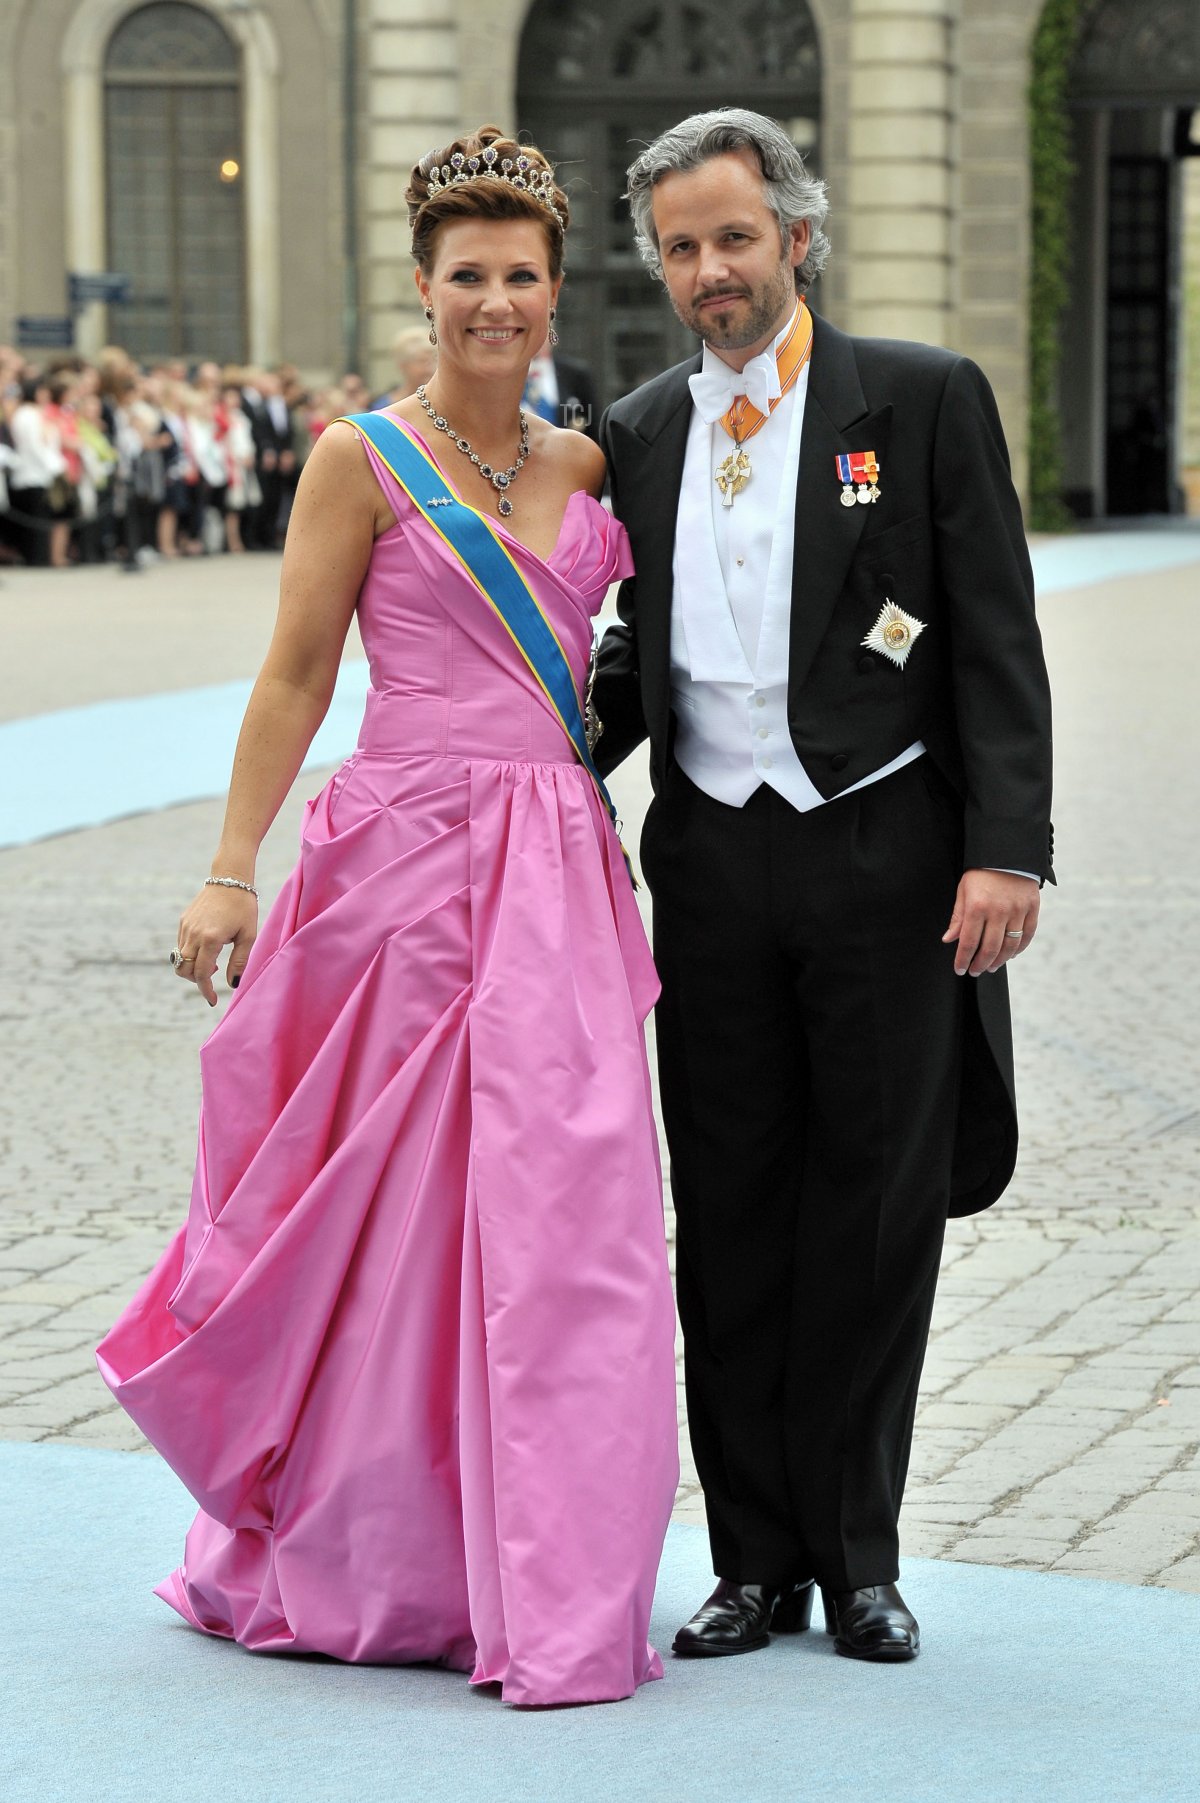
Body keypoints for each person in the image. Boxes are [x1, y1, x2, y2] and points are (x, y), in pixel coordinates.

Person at [97, 122, 679, 1709]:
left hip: (555, 868)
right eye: (466, 278)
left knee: (561, 1221)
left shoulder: (590, 464)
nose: (494, 303)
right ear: (424, 292)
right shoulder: (360, 455)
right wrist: (232, 863)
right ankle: (379, 1553)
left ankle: (544, 1574)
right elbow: (294, 672)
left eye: (521, 278)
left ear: (556, 296)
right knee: (386, 1222)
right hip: (401, 870)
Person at [594, 108, 1054, 1664]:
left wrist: (1009, 847)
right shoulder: (641, 426)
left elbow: (994, 634)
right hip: (713, 864)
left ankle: (859, 1554)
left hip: (885, 862)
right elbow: (619, 664)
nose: (711, 271)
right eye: (681, 248)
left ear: (798, 233)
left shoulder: (917, 403)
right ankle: (750, 1561)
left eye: (734, 237)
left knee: (871, 1215)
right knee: (726, 1218)